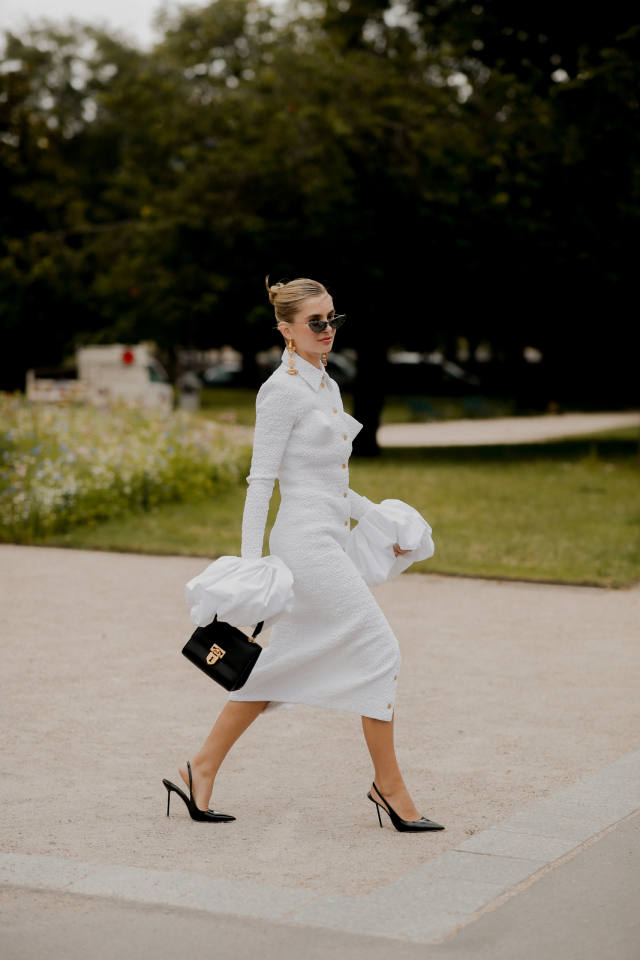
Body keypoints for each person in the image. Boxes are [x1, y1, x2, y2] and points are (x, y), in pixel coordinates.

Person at [162, 277, 444, 832]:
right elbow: (260, 482)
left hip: (330, 535)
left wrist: (380, 519)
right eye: (316, 323)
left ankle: (199, 768)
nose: (327, 331)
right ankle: (388, 788)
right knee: (381, 650)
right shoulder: (281, 391)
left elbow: (331, 484)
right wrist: (251, 566)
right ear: (286, 330)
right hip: (304, 545)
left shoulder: (327, 386)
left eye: (333, 319)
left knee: (276, 667)